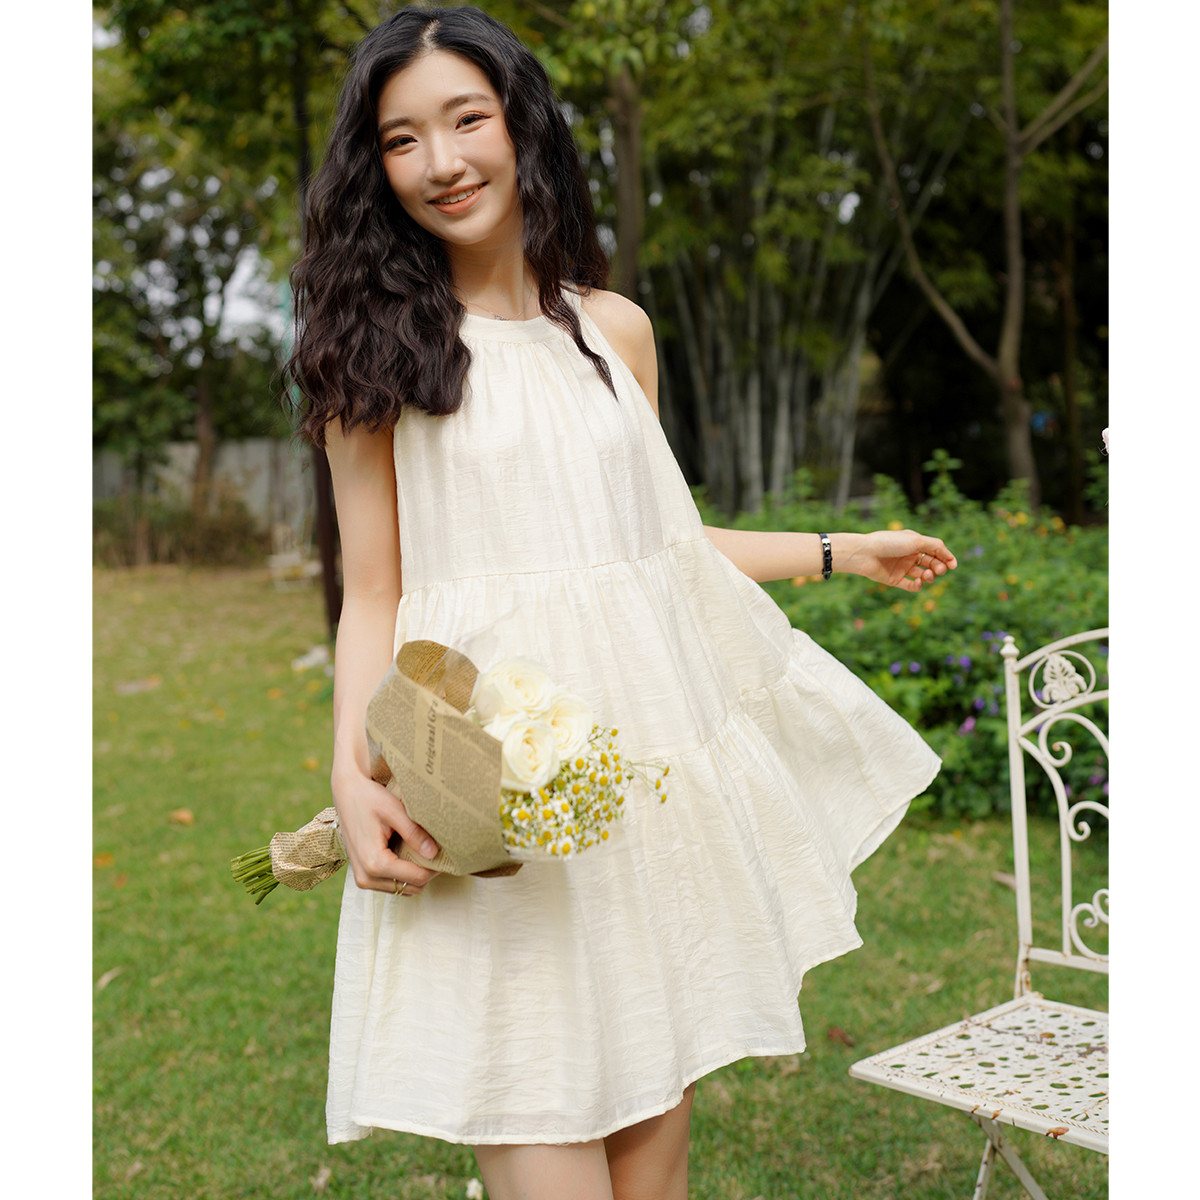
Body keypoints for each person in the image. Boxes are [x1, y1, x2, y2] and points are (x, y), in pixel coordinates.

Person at [284, 6, 957, 1198]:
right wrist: (350, 768)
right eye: (401, 139)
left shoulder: (614, 333)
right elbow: (373, 589)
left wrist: (842, 549)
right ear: (374, 168)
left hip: (631, 792)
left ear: (520, 125)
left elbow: (659, 547)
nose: (441, 162)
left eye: (466, 119)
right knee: (534, 1115)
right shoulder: (372, 355)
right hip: (486, 797)